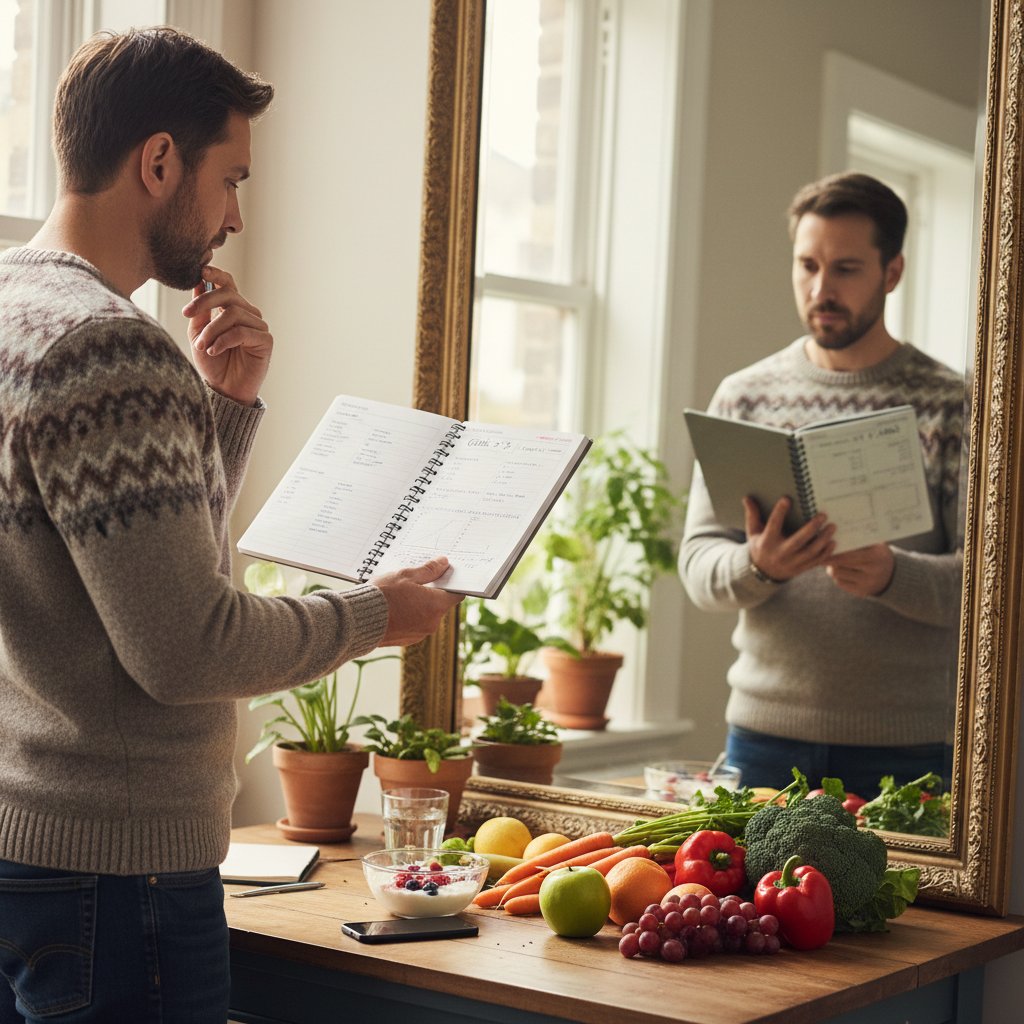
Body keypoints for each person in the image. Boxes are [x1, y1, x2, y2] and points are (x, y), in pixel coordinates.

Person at [0, 27, 461, 1024]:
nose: (234, 217)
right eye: (230, 179)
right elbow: (184, 643)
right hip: (119, 871)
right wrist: (376, 613)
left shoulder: (13, 306)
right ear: (157, 161)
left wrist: (221, 412)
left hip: (24, 839)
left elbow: (90, 563)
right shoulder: (111, 348)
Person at [679, 172, 963, 800]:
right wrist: (759, 564)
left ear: (892, 272)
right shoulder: (744, 395)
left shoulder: (953, 402)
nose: (820, 288)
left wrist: (893, 575)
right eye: (807, 265)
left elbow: (991, 589)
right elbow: (698, 564)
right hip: (760, 736)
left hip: (909, 746)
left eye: (846, 269)